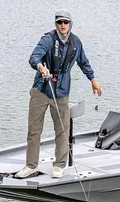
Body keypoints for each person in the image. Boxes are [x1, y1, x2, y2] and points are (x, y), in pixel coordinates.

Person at [15, 9, 102, 179]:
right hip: (41, 89)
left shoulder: (76, 42)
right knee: (34, 130)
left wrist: (93, 79)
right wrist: (40, 67)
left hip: (62, 91)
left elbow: (84, 63)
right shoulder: (47, 40)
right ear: (56, 24)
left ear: (70, 24)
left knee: (62, 130)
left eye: (66, 22)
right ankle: (31, 165)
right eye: (60, 22)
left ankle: (59, 165)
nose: (63, 25)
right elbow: (34, 57)